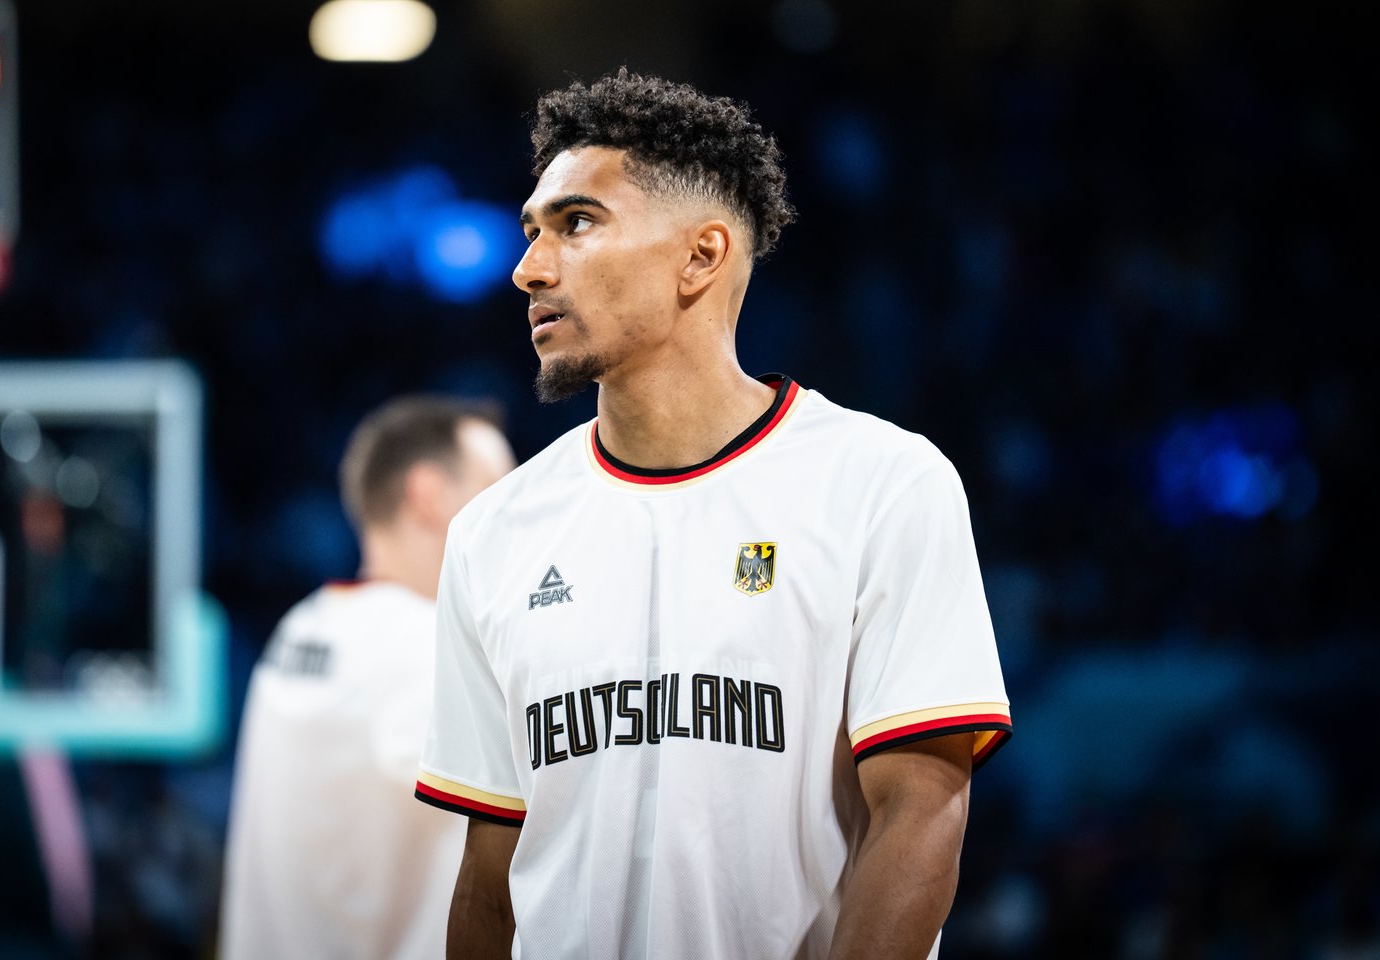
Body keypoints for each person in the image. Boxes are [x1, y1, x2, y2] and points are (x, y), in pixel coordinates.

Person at [415, 69, 1012, 960]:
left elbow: (922, 812)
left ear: (701, 256)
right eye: (533, 231)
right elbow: (489, 876)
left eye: (577, 224)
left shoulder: (883, 483)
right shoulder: (490, 533)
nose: (528, 268)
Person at [221, 396, 516, 959]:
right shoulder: (432, 649)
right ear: (429, 495)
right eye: (497, 489)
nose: (515, 515)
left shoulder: (301, 627)